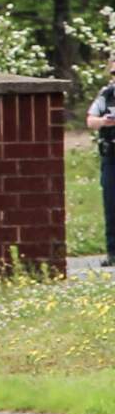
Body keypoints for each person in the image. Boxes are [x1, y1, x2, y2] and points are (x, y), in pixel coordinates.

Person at [88, 60, 115, 267]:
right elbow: (90, 120)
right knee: (111, 204)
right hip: (111, 156)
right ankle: (112, 252)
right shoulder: (106, 95)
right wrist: (104, 122)